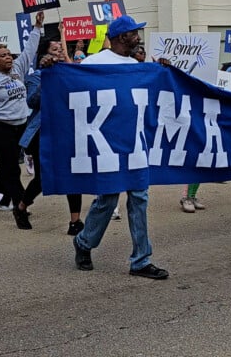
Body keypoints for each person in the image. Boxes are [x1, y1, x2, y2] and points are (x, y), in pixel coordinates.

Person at [72, 15, 169, 280]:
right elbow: (70, 88)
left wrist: (163, 72)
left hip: (135, 143)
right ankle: (84, 243)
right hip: (107, 143)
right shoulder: (94, 62)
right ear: (121, 37)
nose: (138, 37)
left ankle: (141, 259)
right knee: (109, 199)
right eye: (134, 33)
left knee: (139, 198)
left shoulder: (137, 65)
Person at [17, 36, 84, 233]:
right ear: (45, 55)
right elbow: (32, 101)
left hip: (68, 131)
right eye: (54, 50)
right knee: (43, 178)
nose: (59, 53)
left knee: (73, 173)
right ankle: (21, 208)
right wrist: (47, 75)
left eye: (61, 49)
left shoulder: (72, 74)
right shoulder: (37, 76)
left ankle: (75, 222)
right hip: (43, 133)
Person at [0, 11, 42, 225]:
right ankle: (20, 205)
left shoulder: (17, 70)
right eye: (3, 56)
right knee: (11, 168)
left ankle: (8, 197)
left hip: (22, 125)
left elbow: (29, 51)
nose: (8, 57)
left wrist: (37, 27)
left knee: (39, 165)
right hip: (0, 128)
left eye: (9, 54)